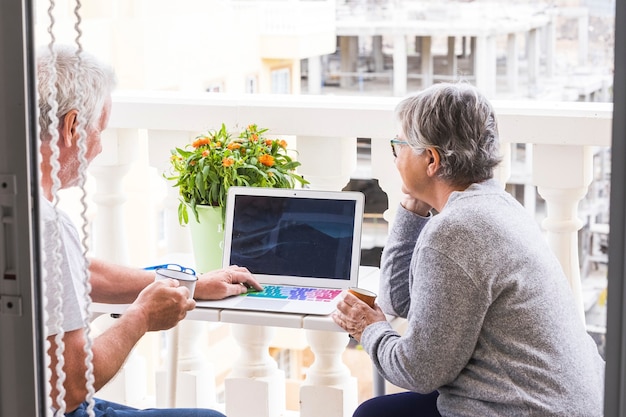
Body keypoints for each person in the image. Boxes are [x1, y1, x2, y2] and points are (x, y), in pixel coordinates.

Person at [332, 82, 605, 416]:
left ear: (430, 159)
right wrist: (412, 207)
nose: (395, 157)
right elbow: (400, 300)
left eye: (398, 145)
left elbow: (417, 372)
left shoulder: (455, 231)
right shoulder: (499, 205)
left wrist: (367, 327)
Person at [37, 44, 263, 417]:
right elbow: (71, 388)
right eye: (99, 130)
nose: (99, 148)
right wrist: (140, 317)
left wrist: (191, 285)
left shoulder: (25, 216)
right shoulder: (46, 226)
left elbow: (74, 271)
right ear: (71, 127)